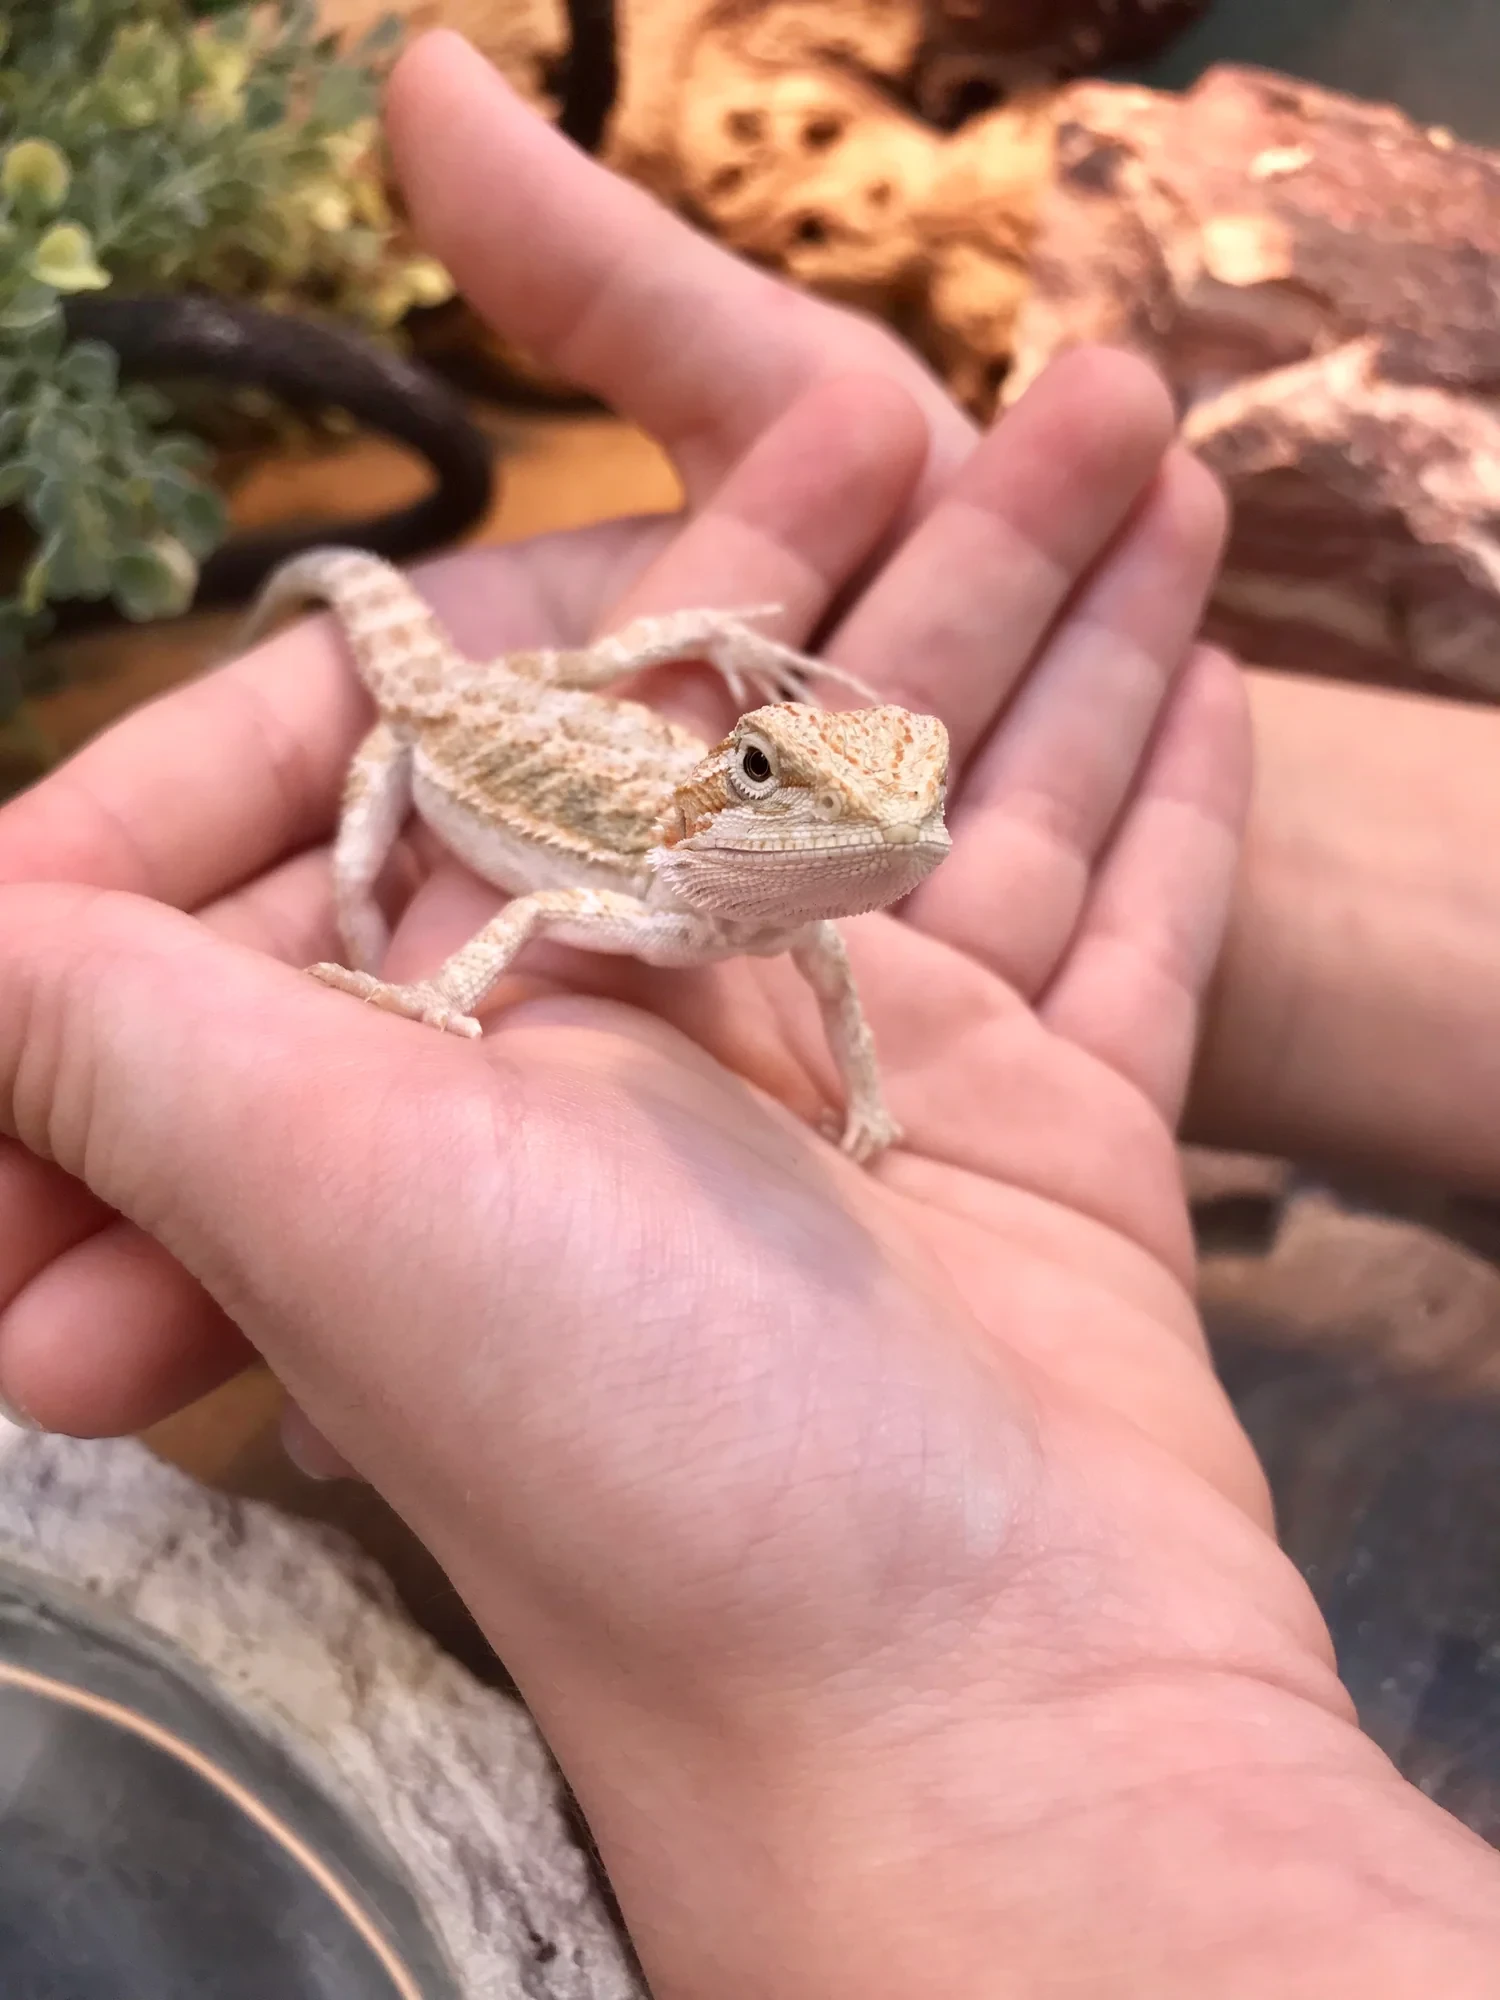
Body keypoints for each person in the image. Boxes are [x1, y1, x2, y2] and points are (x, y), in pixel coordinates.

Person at [0, 28, 1498, 1993]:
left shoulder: (793, 904)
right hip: (470, 737)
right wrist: (404, 961)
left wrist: (869, 1103)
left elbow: (837, 963)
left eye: (920, 813)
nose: (905, 853)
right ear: (751, 795)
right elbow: (506, 928)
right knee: (376, 801)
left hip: (640, 752)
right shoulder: (640, 862)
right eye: (848, 809)